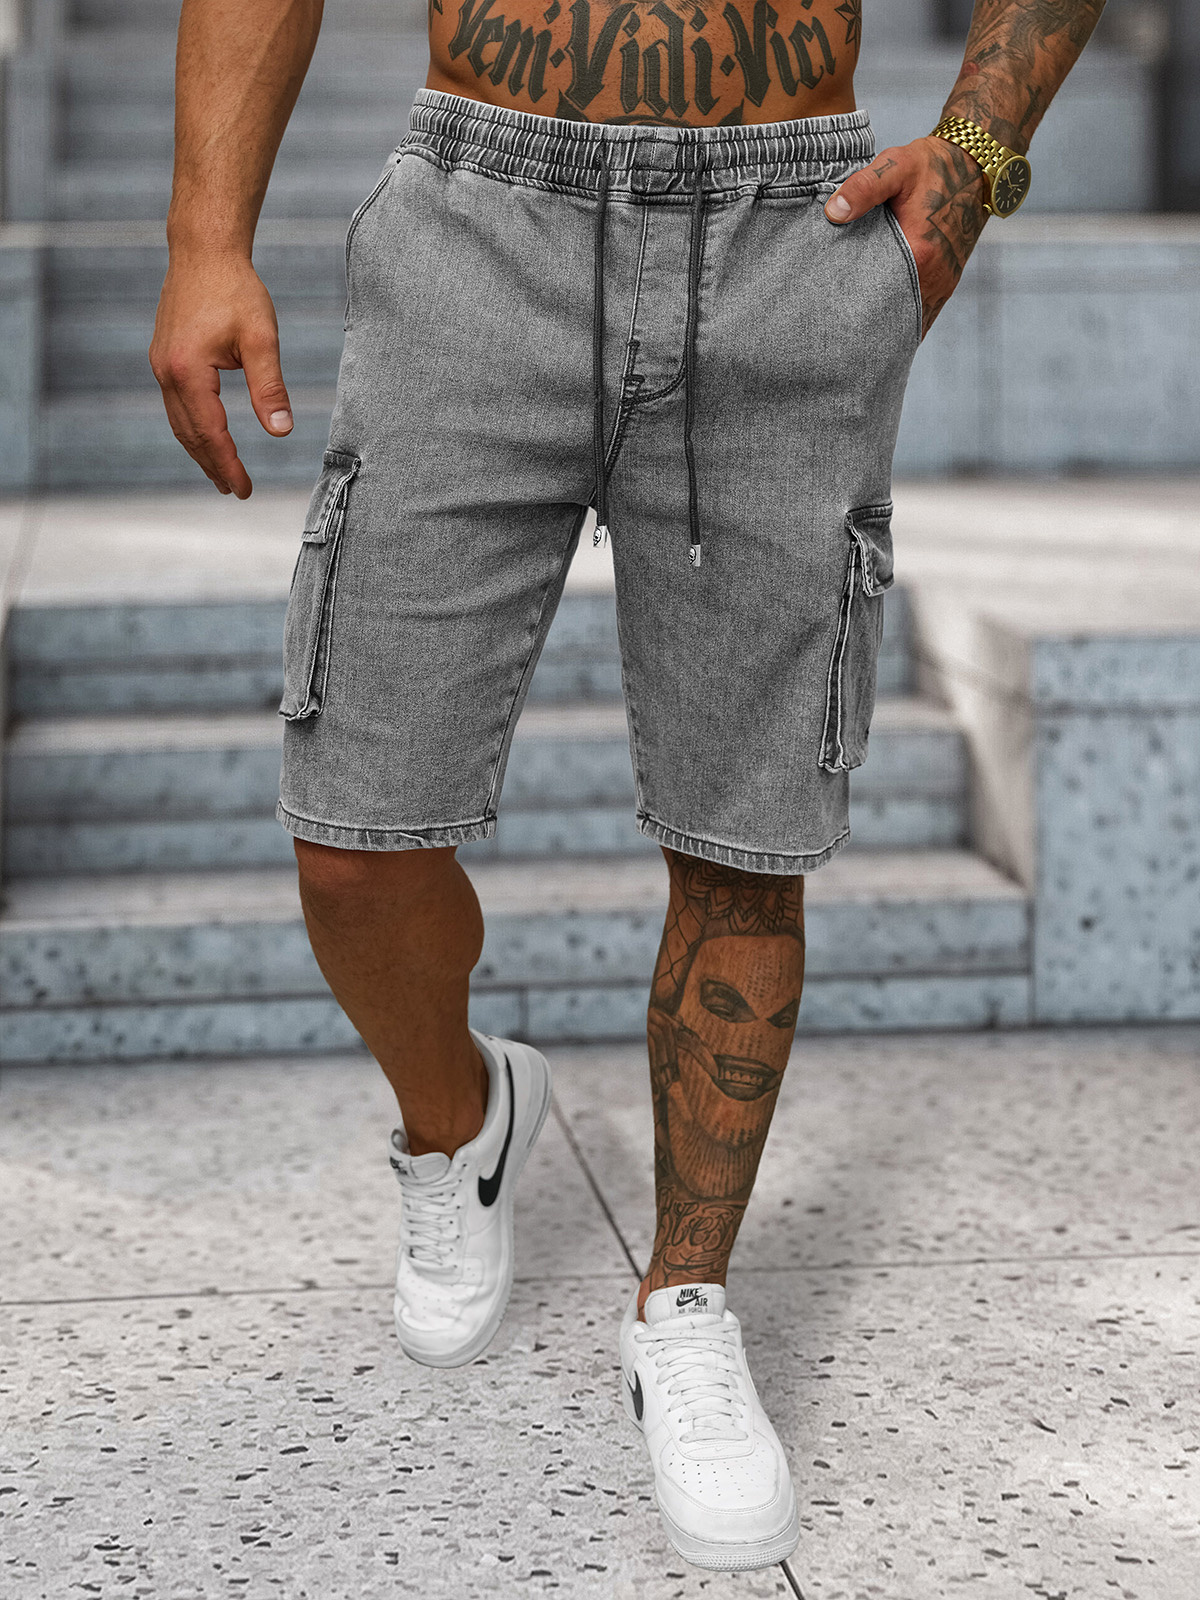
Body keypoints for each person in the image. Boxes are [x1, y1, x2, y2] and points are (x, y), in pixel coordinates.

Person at [151, 0, 1105, 1572]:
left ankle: (686, 1301)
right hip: (482, 222)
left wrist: (979, 154)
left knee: (744, 844)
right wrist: (207, 237)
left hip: (787, 228)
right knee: (353, 840)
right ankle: (460, 1122)